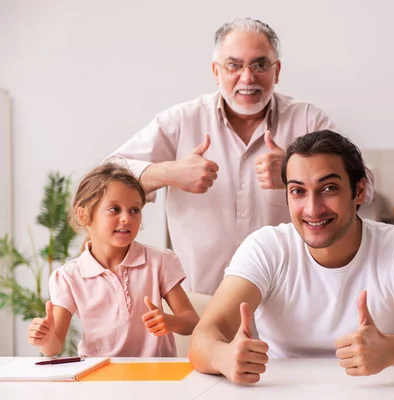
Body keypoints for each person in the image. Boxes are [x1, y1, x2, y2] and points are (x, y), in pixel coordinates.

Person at [104, 17, 373, 294]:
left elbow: (367, 185)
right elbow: (107, 176)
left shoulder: (307, 119)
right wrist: (169, 172)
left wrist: (293, 173)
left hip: (291, 297)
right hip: (199, 299)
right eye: (234, 65)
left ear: (276, 71)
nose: (248, 78)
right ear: (216, 71)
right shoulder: (182, 120)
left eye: (260, 65)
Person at [188, 130, 394, 384]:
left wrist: (391, 350)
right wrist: (221, 357)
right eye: (298, 191)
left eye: (329, 188)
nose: (312, 208)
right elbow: (203, 337)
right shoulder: (266, 248)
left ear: (359, 190)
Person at [27, 164, 199, 357]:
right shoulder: (69, 277)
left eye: (134, 210)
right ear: (84, 216)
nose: (126, 218)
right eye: (114, 209)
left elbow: (191, 321)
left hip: (156, 377)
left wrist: (170, 321)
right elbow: (54, 347)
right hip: (100, 378)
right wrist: (45, 339)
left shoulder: (158, 262)